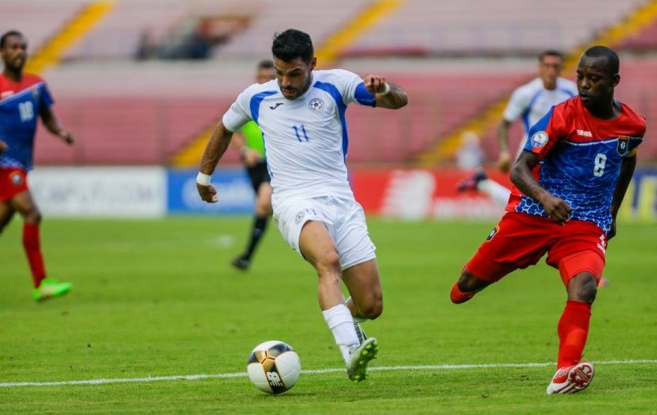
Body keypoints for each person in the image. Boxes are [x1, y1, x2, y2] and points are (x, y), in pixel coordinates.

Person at [196, 28, 408, 382]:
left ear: (312, 63)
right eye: (279, 72)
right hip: (293, 199)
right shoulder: (256, 97)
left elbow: (399, 100)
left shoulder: (336, 84)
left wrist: (383, 91)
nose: (285, 82)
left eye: (294, 73)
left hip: (341, 201)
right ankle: (350, 349)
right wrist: (204, 178)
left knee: (371, 305)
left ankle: (341, 316)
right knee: (328, 262)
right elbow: (223, 128)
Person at [449, 46, 646, 394]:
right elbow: (519, 169)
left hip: (585, 222)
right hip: (534, 214)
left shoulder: (633, 125)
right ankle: (474, 283)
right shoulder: (562, 116)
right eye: (580, 77)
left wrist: (611, 212)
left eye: (594, 79)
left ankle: (564, 373)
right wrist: (546, 198)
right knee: (464, 287)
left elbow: (627, 159)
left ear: (614, 81)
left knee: (584, 288)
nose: (584, 85)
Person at [0, 30, 74, 301]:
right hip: (4, 164)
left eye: (23, 47)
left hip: (19, 162)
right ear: (2, 53)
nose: (19, 52)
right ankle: (41, 283)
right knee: (32, 213)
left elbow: (47, 116)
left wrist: (61, 132)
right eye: (13, 47)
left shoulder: (36, 86)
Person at [457, 50, 577, 206]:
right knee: (527, 202)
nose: (551, 70)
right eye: (547, 66)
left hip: (560, 153)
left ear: (561, 68)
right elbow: (504, 124)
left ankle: (484, 183)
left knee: (537, 203)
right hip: (532, 154)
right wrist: (504, 152)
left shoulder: (572, 91)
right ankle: (484, 184)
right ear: (540, 67)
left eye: (555, 66)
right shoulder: (526, 93)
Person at [230, 59, 276, 271]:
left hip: (276, 164)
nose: (265, 81)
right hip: (254, 166)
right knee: (269, 210)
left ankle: (247, 256)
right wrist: (244, 150)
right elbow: (231, 130)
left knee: (263, 204)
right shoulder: (248, 102)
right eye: (262, 78)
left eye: (270, 78)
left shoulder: (283, 102)